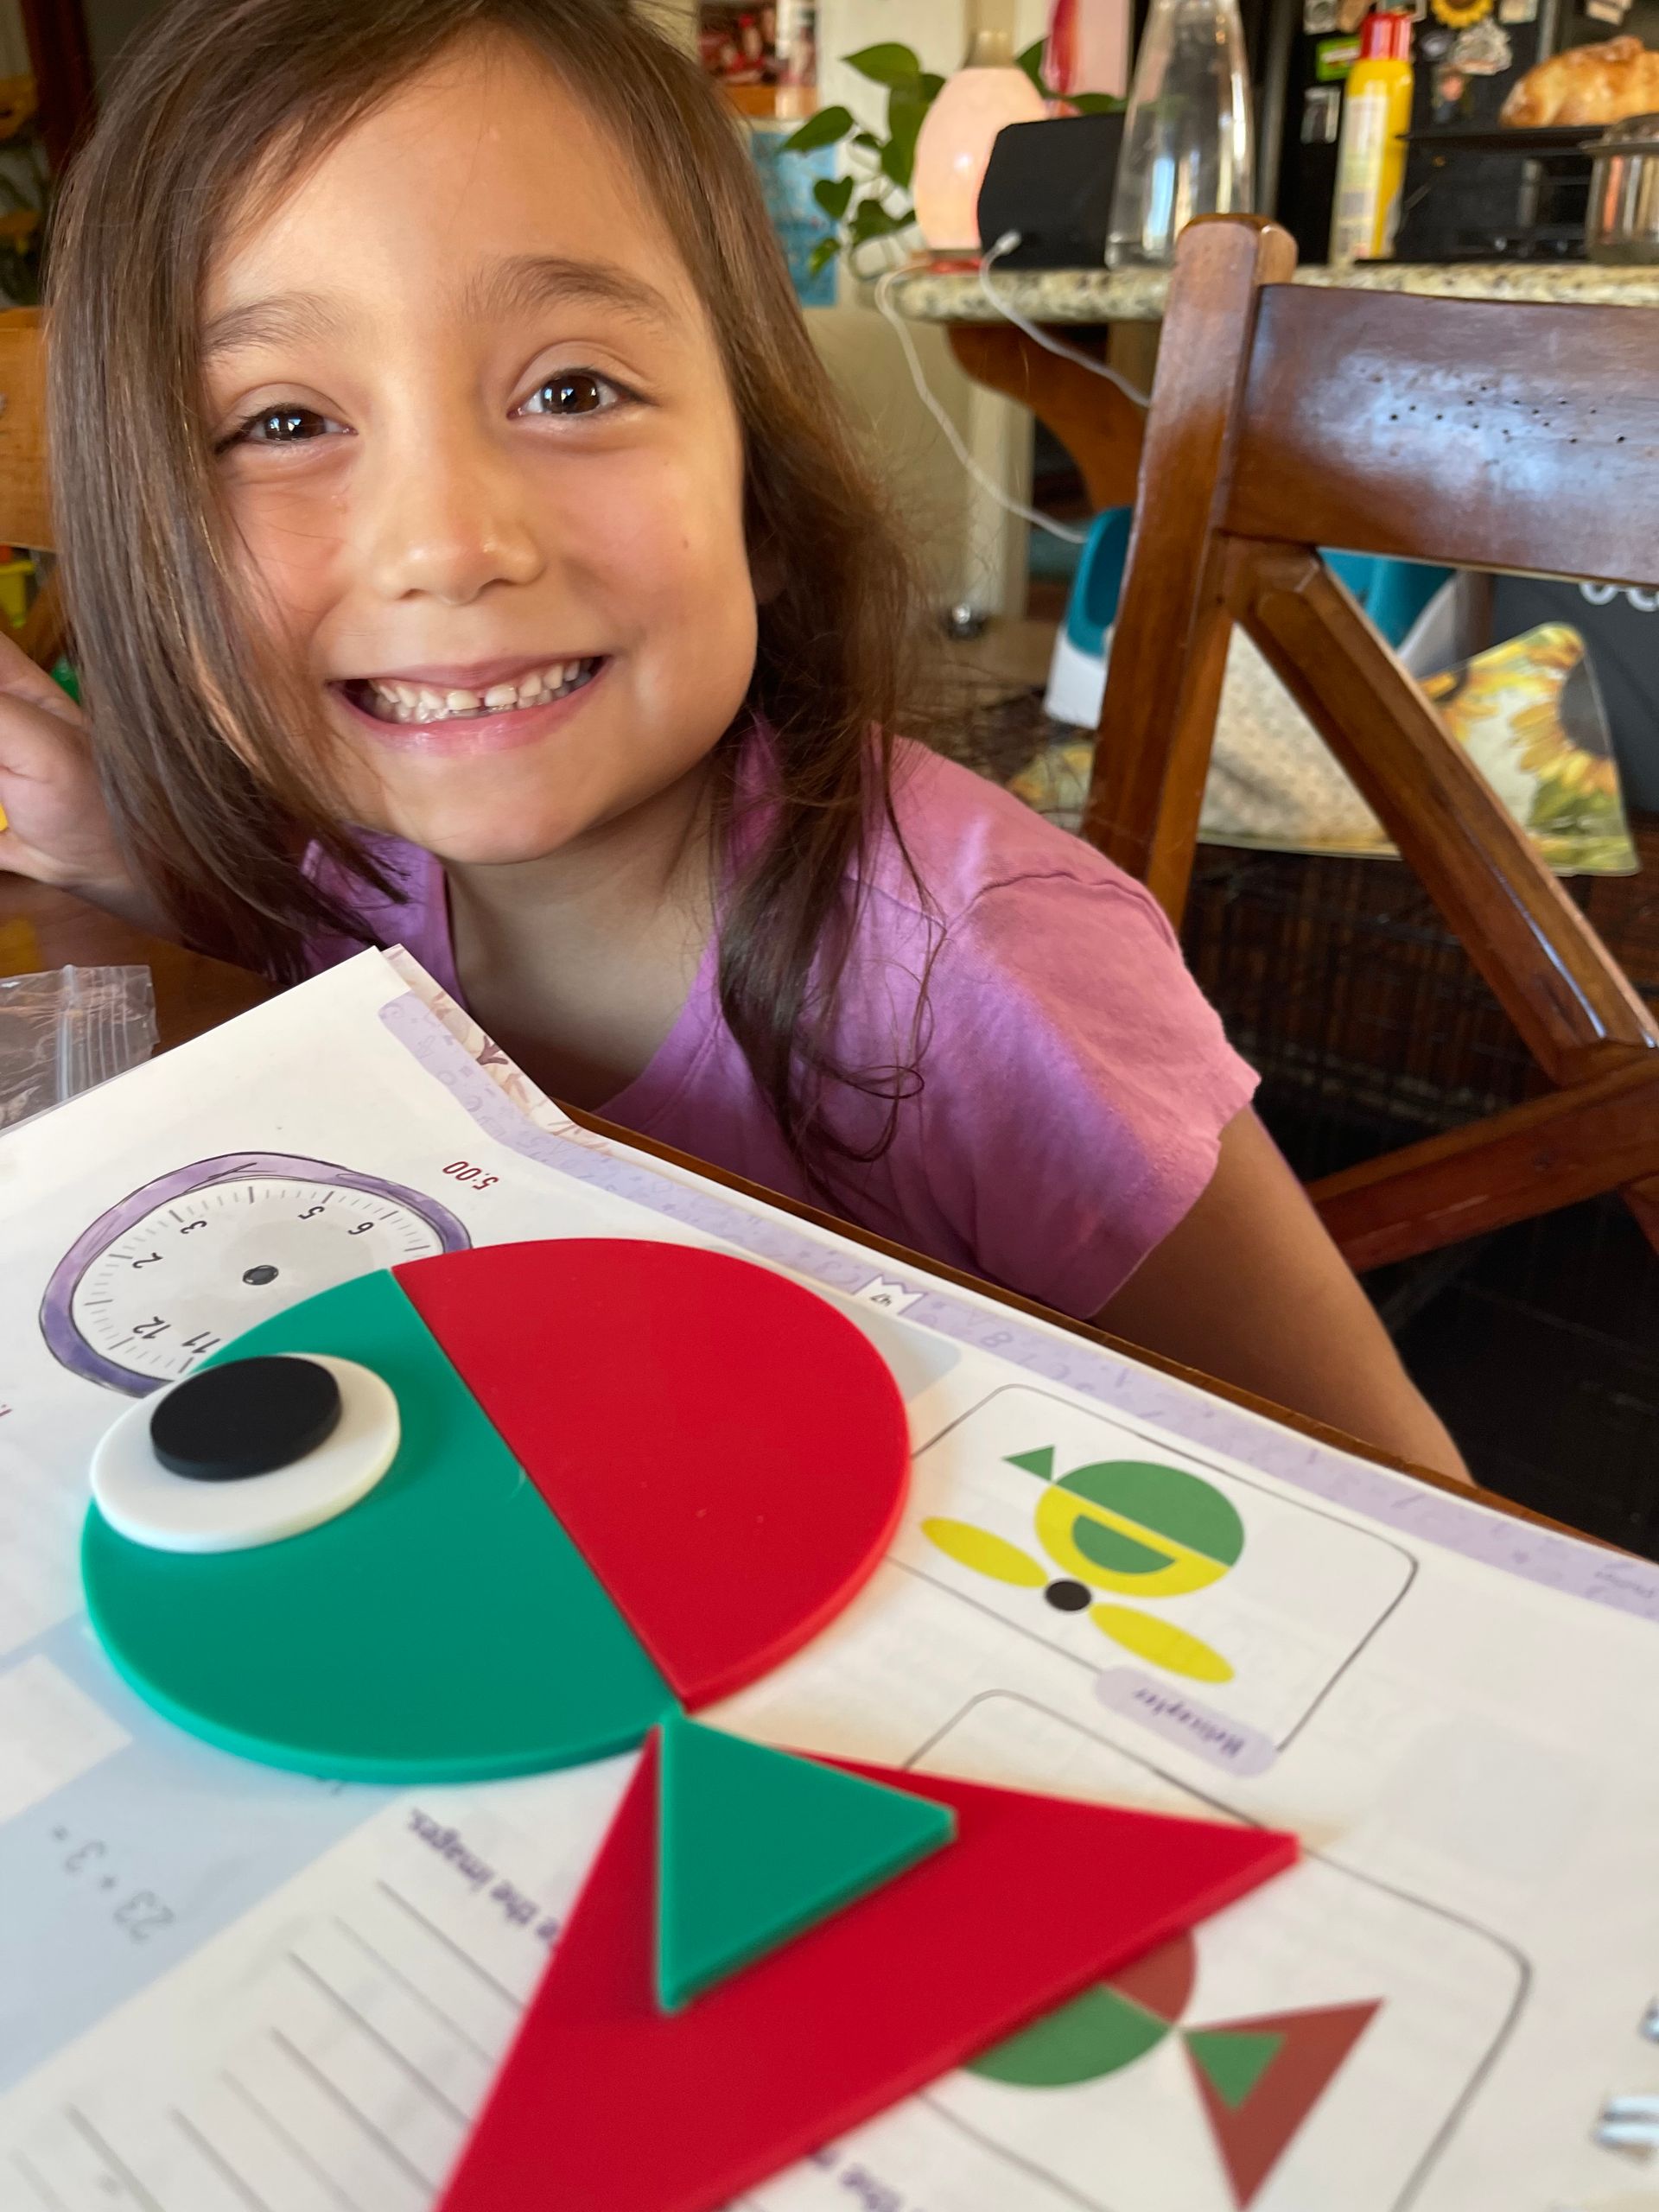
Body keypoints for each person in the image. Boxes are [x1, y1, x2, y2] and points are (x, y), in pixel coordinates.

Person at [0, 0, 1467, 1481]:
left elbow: (1409, 1513)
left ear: (762, 496)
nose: (447, 543)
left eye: (572, 391)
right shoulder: (361, 861)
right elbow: (290, 983)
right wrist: (95, 838)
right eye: (281, 423)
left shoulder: (983, 976)